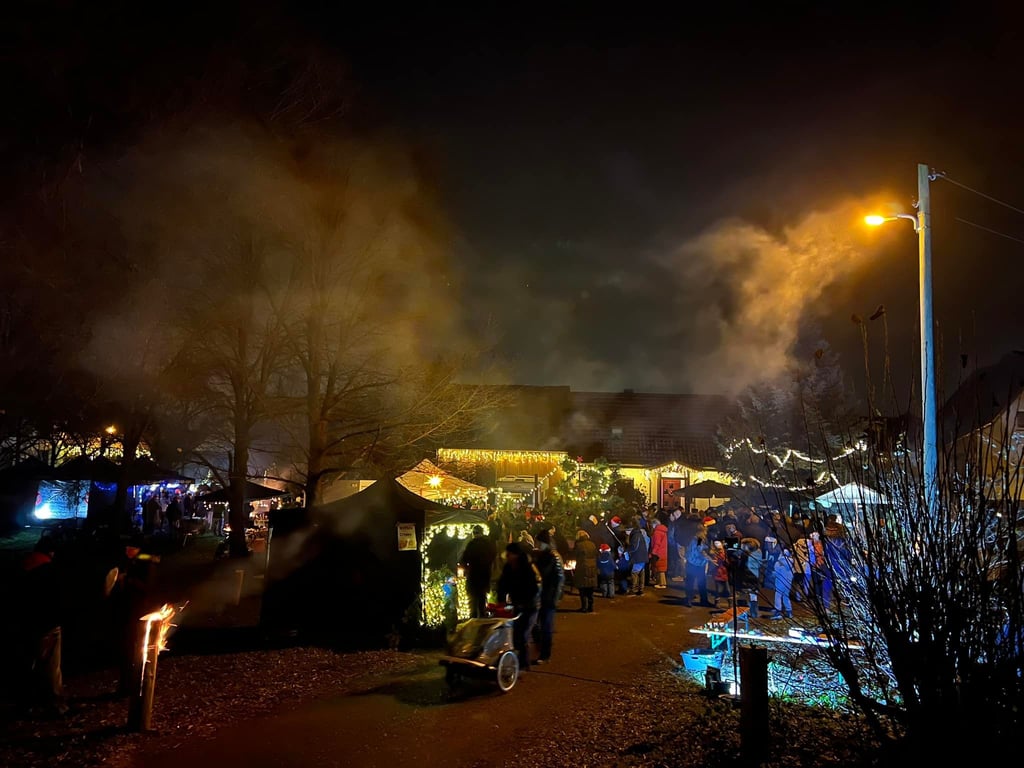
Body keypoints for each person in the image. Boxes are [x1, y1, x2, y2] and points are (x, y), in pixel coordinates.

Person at [16, 535, 68, 717]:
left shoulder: (23, 566)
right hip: (48, 624)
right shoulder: (49, 570)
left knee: (29, 663)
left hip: (24, 623)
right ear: (51, 552)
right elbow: (57, 598)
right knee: (52, 667)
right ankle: (56, 705)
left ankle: (26, 702)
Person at [497, 542, 540, 672]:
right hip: (517, 604)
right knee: (516, 633)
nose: (507, 556)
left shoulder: (528, 567)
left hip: (531, 605)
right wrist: (501, 601)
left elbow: (534, 587)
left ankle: (524, 663)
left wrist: (525, 601)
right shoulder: (508, 567)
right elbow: (502, 584)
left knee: (523, 634)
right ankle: (518, 660)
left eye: (510, 554)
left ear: (516, 554)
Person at [531, 529, 564, 664]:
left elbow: (558, 579)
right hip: (540, 595)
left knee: (546, 626)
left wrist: (555, 598)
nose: (536, 544)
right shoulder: (540, 555)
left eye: (538, 541)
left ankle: (545, 654)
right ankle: (540, 648)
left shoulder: (553, 557)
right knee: (536, 624)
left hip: (548, 596)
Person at [459, 525, 497, 619]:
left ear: (474, 533)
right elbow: (493, 557)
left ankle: (473, 623)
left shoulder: (472, 544)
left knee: (473, 603)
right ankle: (481, 624)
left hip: (473, 576)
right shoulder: (488, 544)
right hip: (485, 576)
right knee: (482, 601)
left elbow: (463, 559)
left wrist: (466, 569)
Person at [683, 529, 714, 607]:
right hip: (697, 564)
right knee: (701, 583)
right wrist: (709, 558)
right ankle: (703, 600)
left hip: (691, 563)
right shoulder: (699, 540)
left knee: (690, 582)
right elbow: (700, 551)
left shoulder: (693, 540)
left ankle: (689, 599)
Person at [572, 529, 598, 613]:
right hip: (592, 567)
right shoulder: (592, 544)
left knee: (582, 589)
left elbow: (575, 554)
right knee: (590, 589)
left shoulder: (579, 545)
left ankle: (584, 607)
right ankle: (591, 606)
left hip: (582, 567)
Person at [626, 515, 649, 596]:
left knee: (634, 573)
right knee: (641, 573)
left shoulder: (635, 535)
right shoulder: (640, 533)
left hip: (638, 556)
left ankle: (633, 589)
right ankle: (641, 589)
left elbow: (634, 546)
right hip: (643, 556)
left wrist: (628, 550)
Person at [771, 547, 796, 619]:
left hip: (780, 582)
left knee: (778, 596)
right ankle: (789, 611)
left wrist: (773, 574)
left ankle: (778, 611)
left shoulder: (778, 562)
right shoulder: (791, 563)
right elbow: (793, 573)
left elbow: (776, 573)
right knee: (786, 596)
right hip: (788, 582)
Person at [649, 516, 669, 588]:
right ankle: (660, 582)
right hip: (663, 552)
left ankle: (662, 583)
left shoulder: (657, 532)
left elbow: (657, 543)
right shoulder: (663, 531)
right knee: (661, 568)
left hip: (658, 553)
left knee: (660, 569)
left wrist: (653, 552)